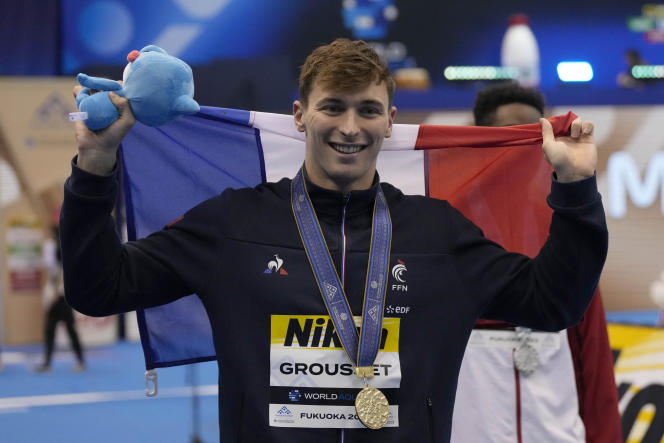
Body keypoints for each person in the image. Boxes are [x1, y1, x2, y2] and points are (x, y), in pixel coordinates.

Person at [61, 39, 606, 442]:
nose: (350, 127)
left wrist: (577, 189)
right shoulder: (233, 225)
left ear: (390, 121)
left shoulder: (438, 233)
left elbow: (552, 300)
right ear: (301, 116)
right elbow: (99, 288)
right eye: (332, 107)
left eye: (368, 110)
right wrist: (95, 166)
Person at [450, 82, 621, 442]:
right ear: (480, 141)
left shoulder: (564, 230)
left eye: (529, 140)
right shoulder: (448, 228)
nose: (519, 152)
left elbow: (594, 360)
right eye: (506, 139)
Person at [34, 226, 86, 373]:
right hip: (60, 297)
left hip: (61, 298)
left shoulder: (62, 256)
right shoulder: (60, 256)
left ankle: (77, 360)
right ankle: (49, 362)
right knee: (58, 331)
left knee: (64, 330)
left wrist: (54, 294)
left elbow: (58, 277)